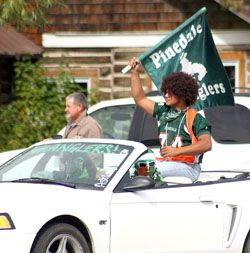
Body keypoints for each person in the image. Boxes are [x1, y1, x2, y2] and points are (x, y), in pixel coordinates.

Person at [128, 57, 212, 182]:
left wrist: (177, 151)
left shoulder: (195, 117)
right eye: (165, 91)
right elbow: (140, 99)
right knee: (131, 169)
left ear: (181, 93)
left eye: (170, 92)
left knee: (149, 170)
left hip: (188, 167)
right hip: (167, 164)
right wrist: (135, 72)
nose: (166, 95)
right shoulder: (163, 110)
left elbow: (206, 144)